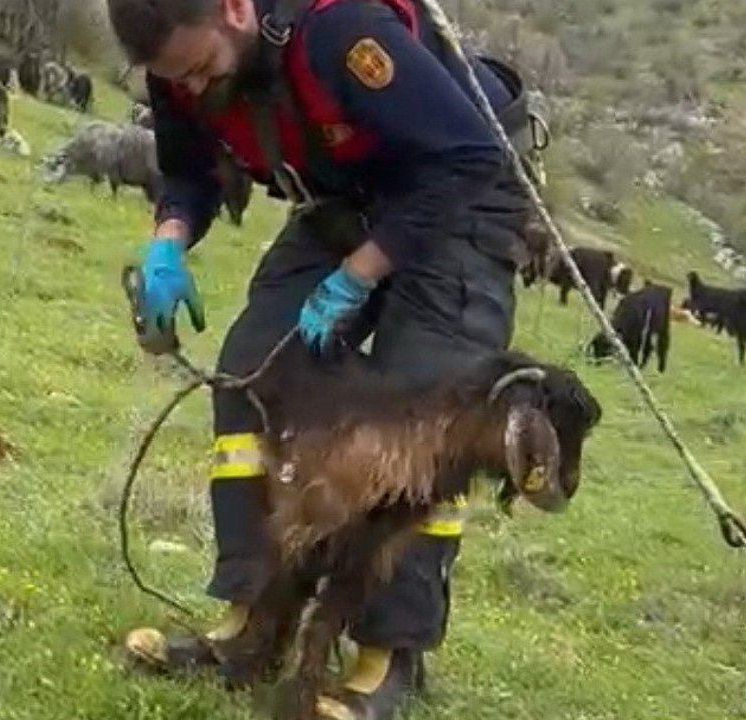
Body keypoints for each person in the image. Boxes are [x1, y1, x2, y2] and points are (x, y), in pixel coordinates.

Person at [106, 0, 543, 717]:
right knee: (254, 372)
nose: (192, 87)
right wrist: (168, 243)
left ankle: (387, 657)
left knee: (424, 415)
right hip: (344, 195)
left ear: (235, 10)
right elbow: (189, 169)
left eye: (202, 68)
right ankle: (254, 621)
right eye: (177, 78)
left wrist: (359, 274)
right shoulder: (177, 59)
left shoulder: (341, 33)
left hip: (461, 197)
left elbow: (468, 155)